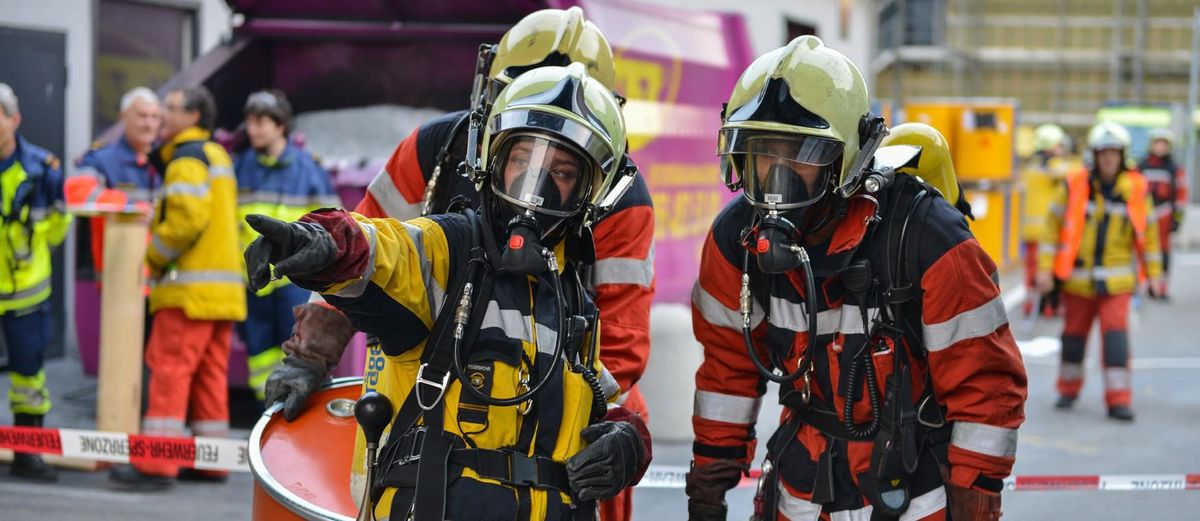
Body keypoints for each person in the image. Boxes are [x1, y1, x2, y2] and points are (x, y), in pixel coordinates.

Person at [265, 8, 654, 520]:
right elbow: (377, 247)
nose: (537, 171)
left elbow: (619, 337)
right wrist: (310, 352)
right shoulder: (439, 151)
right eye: (524, 144)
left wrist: (616, 432)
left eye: (563, 162)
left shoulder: (620, 199)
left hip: (565, 385)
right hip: (424, 363)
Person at [684, 36, 1027, 521]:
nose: (776, 178)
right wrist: (708, 486)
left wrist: (975, 501)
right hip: (800, 494)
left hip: (912, 497)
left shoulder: (926, 237)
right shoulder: (735, 241)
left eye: (800, 155)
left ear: (846, 160)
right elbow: (726, 374)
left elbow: (986, 389)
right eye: (763, 155)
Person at [108, 85, 246, 490]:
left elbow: (184, 221)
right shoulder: (216, 154)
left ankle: (155, 464)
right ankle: (211, 460)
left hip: (188, 294)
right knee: (209, 377)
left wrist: (149, 257)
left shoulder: (185, 159)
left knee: (169, 372)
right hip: (222, 294)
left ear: (193, 115)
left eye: (170, 108)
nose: (162, 116)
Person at [1037, 122, 1162, 422]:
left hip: (1117, 283)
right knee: (1073, 339)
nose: (1108, 159)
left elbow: (1150, 234)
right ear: (1095, 155)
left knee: (1116, 341)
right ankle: (1068, 389)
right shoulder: (1073, 184)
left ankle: (1119, 399)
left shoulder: (1135, 189)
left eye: (1114, 153)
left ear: (1122, 156)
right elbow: (1051, 229)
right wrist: (1044, 270)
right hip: (1078, 282)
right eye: (1103, 153)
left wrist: (1155, 273)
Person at [233, 89, 340, 404]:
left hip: (294, 282)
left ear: (280, 125)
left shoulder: (308, 169)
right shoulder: (240, 167)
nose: (253, 129)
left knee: (301, 354)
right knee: (260, 360)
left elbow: (333, 225)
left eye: (261, 122)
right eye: (249, 122)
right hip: (253, 282)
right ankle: (267, 415)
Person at [0, 82, 71, 482]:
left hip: (27, 290)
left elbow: (58, 227)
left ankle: (28, 453)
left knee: (30, 375)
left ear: (14, 119)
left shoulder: (42, 169)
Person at [72, 87, 162, 277]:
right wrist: (134, 208)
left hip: (162, 280)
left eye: (155, 117)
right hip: (119, 277)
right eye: (142, 116)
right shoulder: (101, 159)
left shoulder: (168, 159)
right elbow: (78, 194)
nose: (149, 124)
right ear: (123, 117)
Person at [1020, 123, 1071, 316]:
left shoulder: (1031, 166)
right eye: (1059, 145)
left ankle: (1029, 304)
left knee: (1031, 269)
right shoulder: (1053, 165)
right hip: (1047, 230)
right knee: (1047, 269)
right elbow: (1070, 174)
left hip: (1030, 230)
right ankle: (1049, 307)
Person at [1138, 127, 1187, 300]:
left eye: (1163, 144)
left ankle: (1161, 287)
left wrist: (1177, 220)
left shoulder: (1173, 168)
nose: (1160, 147)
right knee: (1141, 250)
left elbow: (1180, 196)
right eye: (1157, 143)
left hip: (1164, 214)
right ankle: (1144, 284)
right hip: (1143, 213)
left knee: (1163, 253)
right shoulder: (1141, 165)